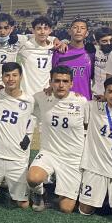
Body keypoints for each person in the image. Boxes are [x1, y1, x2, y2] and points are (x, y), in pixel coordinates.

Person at [27, 66, 88, 213]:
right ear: (50, 82)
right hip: (49, 152)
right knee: (33, 178)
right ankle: (41, 193)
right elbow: (19, 99)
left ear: (71, 84)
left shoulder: (81, 102)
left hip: (72, 157)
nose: (61, 85)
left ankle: (56, 184)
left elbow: (88, 126)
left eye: (65, 81)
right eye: (57, 81)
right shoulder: (41, 97)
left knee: (66, 209)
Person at [0, 63, 36, 208]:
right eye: (7, 75)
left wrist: (28, 137)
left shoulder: (30, 100)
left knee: (23, 205)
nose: (10, 79)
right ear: (2, 78)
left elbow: (34, 119)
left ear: (20, 77)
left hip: (17, 159)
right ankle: (3, 188)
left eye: (14, 75)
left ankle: (30, 191)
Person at [78, 77, 112, 222]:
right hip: (95, 165)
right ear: (105, 93)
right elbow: (71, 99)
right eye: (111, 91)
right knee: (85, 210)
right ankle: (103, 196)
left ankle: (107, 197)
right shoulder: (93, 107)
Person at [51, 18, 95, 100]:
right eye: (75, 27)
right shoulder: (59, 52)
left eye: (82, 28)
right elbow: (51, 76)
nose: (78, 30)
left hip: (85, 100)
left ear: (87, 33)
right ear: (69, 31)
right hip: (62, 101)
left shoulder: (91, 54)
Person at [18, 16, 56, 95]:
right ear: (33, 30)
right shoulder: (24, 46)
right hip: (28, 94)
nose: (42, 32)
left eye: (45, 28)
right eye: (38, 28)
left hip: (46, 94)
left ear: (50, 30)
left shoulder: (54, 47)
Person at [91, 27, 112, 99]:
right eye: (104, 41)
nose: (109, 43)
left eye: (111, 40)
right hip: (97, 95)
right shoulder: (92, 51)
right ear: (97, 42)